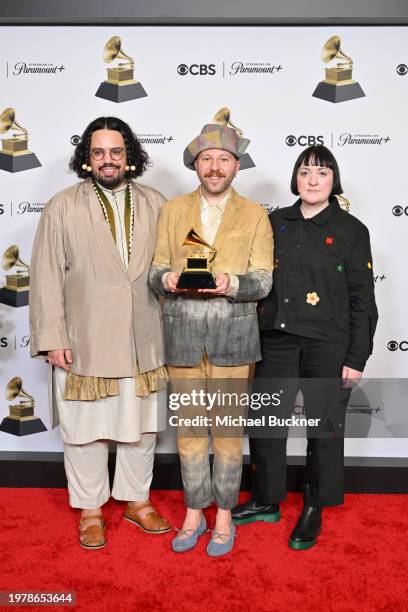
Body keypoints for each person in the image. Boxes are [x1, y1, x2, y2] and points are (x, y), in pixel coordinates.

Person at [29, 116, 171, 550]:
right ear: (86, 159)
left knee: (142, 424)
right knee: (85, 427)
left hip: (144, 336)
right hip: (84, 337)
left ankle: (136, 500)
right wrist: (53, 336)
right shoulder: (62, 205)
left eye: (116, 152)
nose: (107, 160)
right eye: (98, 152)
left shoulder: (156, 202)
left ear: (129, 157)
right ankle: (90, 508)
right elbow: (46, 275)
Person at [232, 145, 378, 549]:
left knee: (325, 430)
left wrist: (356, 357)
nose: (313, 180)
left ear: (334, 180)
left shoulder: (352, 230)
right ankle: (266, 499)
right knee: (266, 425)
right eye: (305, 172)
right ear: (295, 178)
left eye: (322, 172)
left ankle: (314, 506)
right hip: (276, 340)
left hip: (328, 345)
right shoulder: (273, 222)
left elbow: (362, 298)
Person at [149, 114, 273, 556]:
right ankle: (193, 513)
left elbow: (263, 280)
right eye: (207, 159)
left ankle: (223, 516)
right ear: (195, 165)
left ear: (237, 166)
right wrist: (166, 281)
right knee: (189, 435)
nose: (215, 166)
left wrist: (233, 284)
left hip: (234, 344)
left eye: (223, 158)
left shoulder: (256, 214)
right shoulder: (172, 210)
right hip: (182, 341)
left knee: (226, 436)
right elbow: (155, 270)